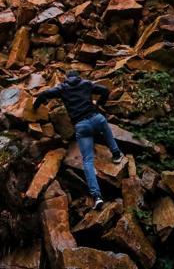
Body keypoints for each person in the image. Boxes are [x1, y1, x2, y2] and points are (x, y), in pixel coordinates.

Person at [33, 69, 123, 209]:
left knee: (87, 160)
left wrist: (35, 106)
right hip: (96, 117)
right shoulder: (86, 83)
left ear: (67, 78)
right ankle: (116, 153)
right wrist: (100, 104)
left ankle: (97, 196)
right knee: (105, 128)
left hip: (82, 126)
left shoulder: (62, 88)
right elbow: (105, 90)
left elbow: (45, 94)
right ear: (78, 76)